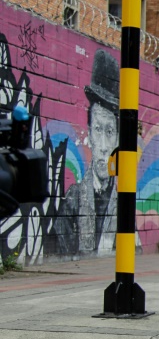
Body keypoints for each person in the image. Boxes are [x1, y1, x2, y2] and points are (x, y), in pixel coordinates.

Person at [54, 49, 119, 256]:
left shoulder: (123, 201)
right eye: (98, 130)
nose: (102, 145)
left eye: (109, 132)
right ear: (89, 134)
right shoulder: (73, 200)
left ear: (117, 138)